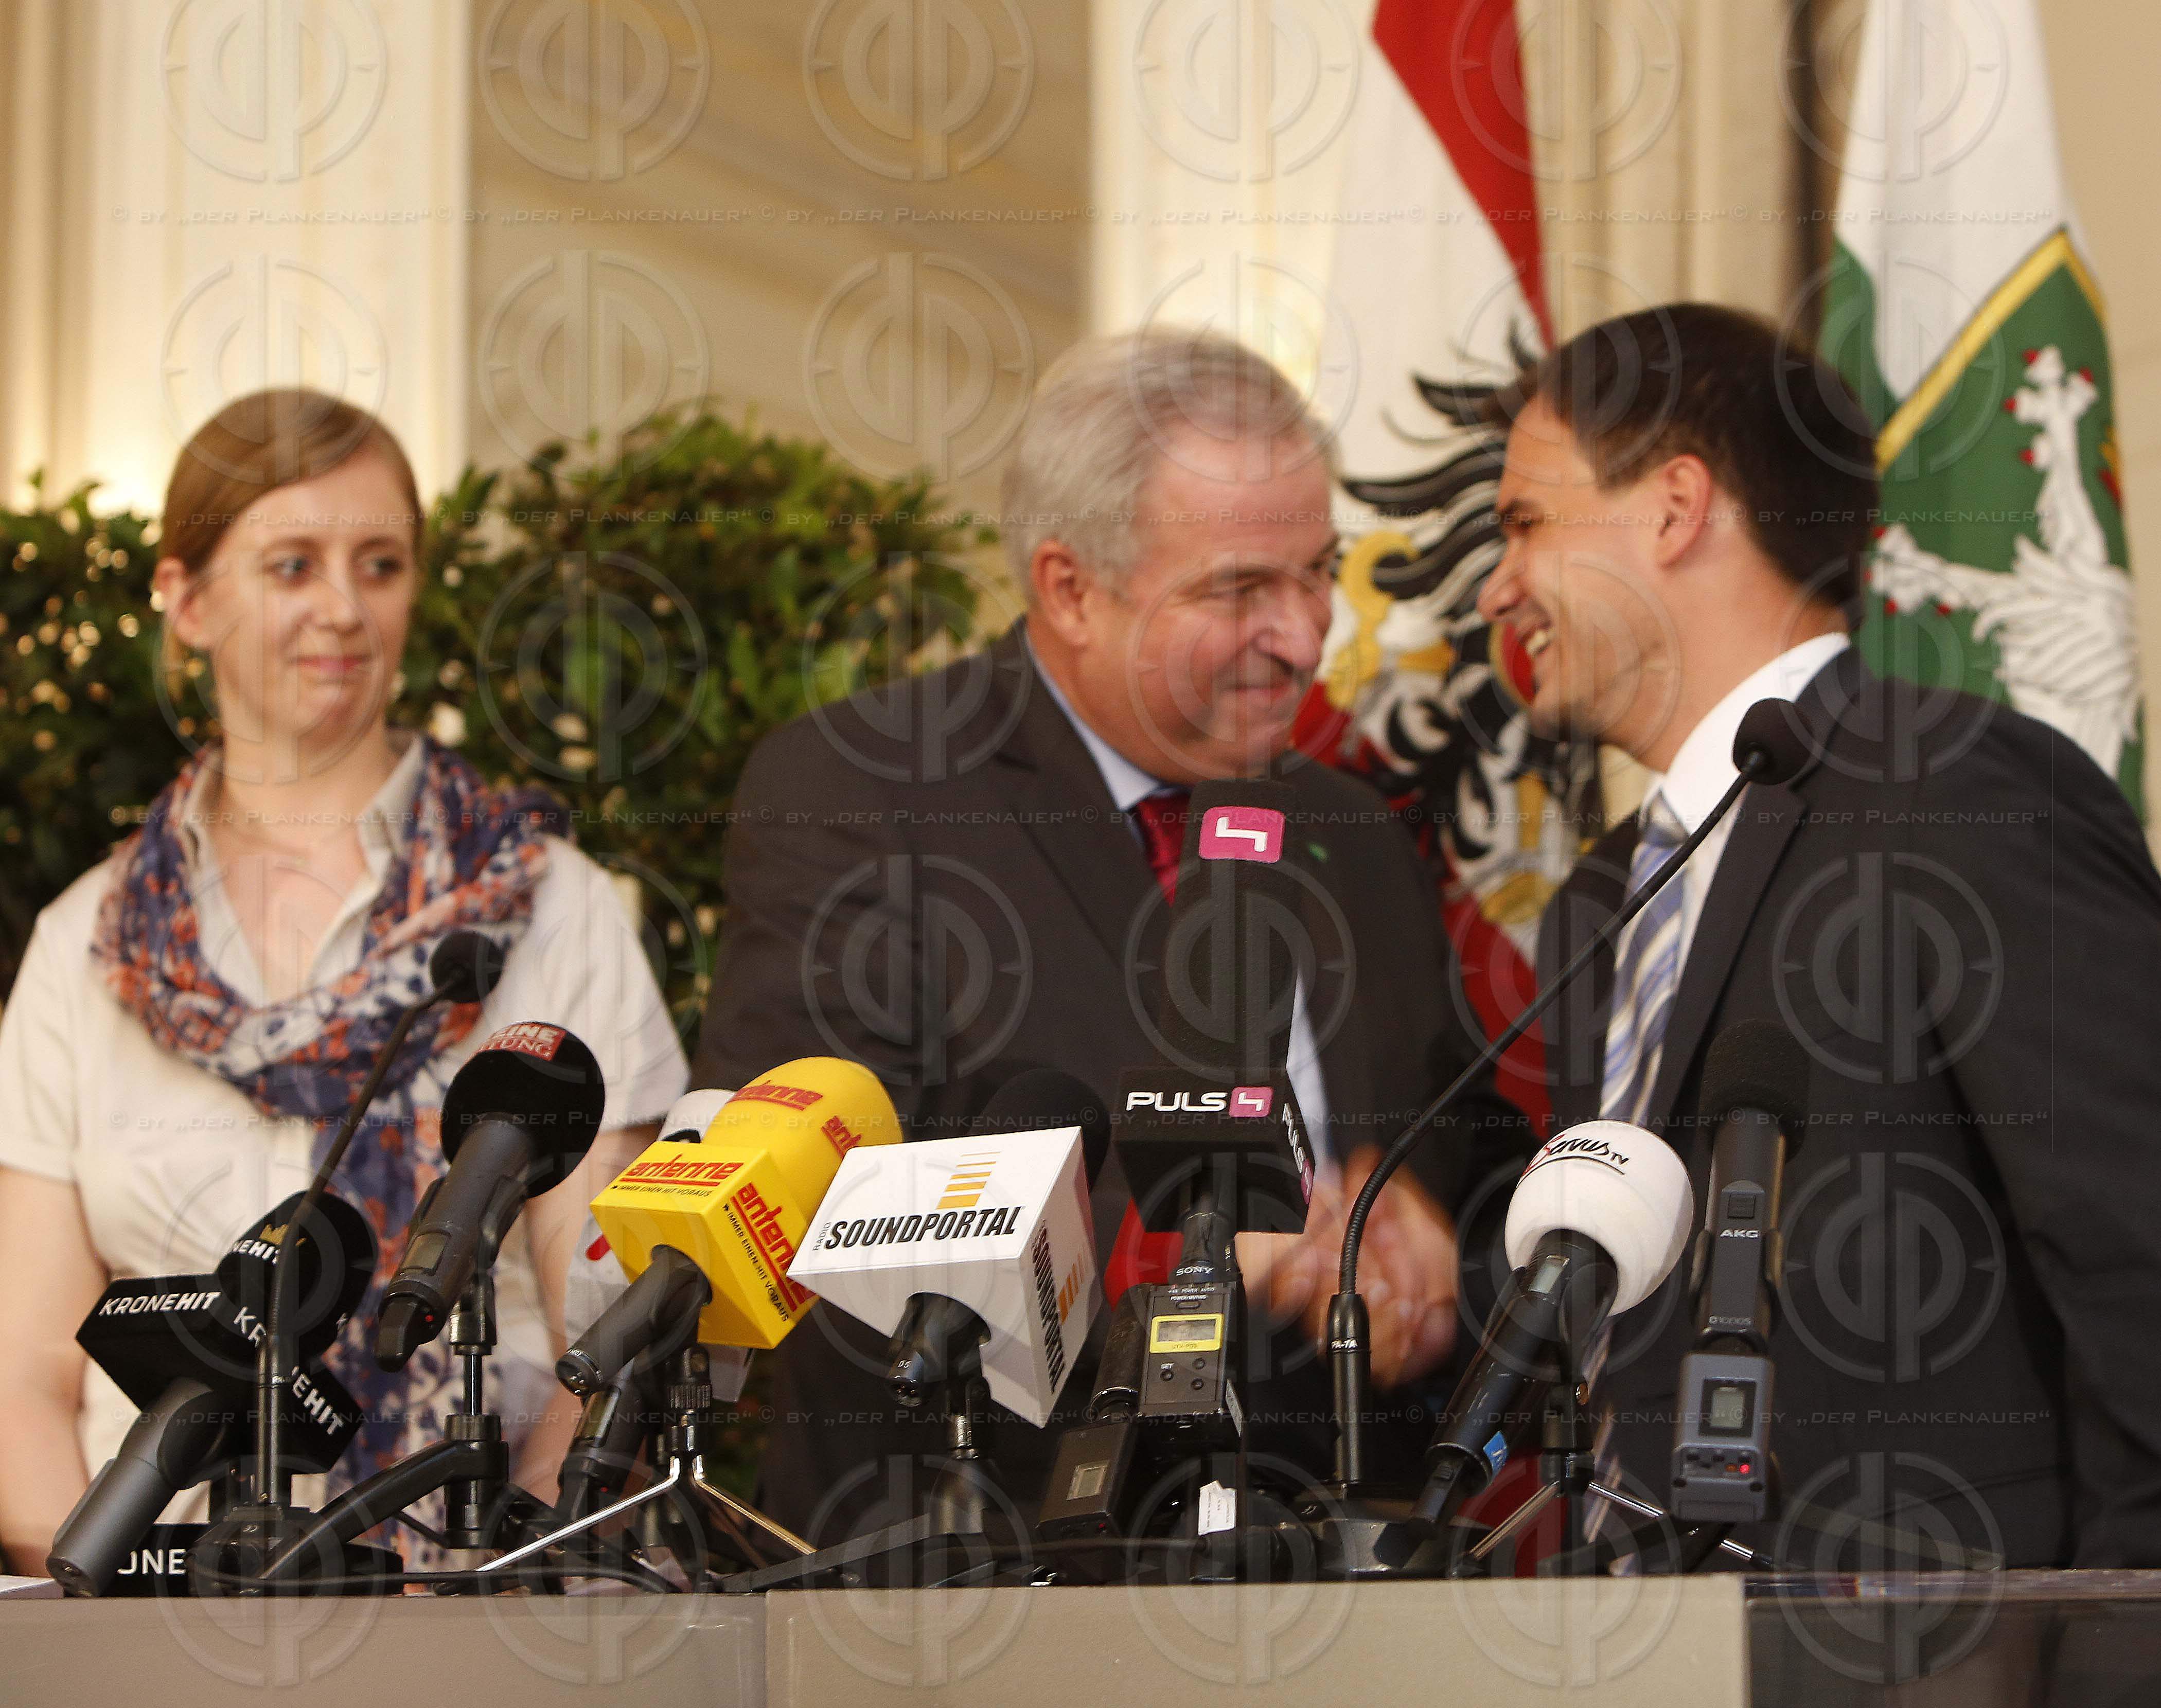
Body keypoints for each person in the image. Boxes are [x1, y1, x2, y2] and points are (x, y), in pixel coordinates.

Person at [695, 329, 1522, 1541]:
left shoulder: (1359, 829)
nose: (1306, 638)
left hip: (1336, 1579)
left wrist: (1445, 1246)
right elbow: (821, 1207)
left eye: (1318, 573)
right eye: (1241, 590)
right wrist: (1197, 1256)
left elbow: (1474, 1144)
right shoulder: (864, 796)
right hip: (977, 1575)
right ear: (1069, 587)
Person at [1489, 303, 2161, 1568]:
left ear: (1676, 507)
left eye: (1525, 521)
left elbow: (2141, 1265)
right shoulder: (1597, 902)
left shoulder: (1965, 791)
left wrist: (2121, 1653)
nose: (1497, 584)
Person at [0, 390, 687, 1574]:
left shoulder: (551, 905)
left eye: (380, 563)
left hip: (481, 1600)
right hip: (151, 1620)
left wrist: (506, 1592)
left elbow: (606, 1331)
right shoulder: (89, 946)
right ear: (188, 601)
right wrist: (105, 1625)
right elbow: (22, 1371)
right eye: (292, 564)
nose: (343, 607)